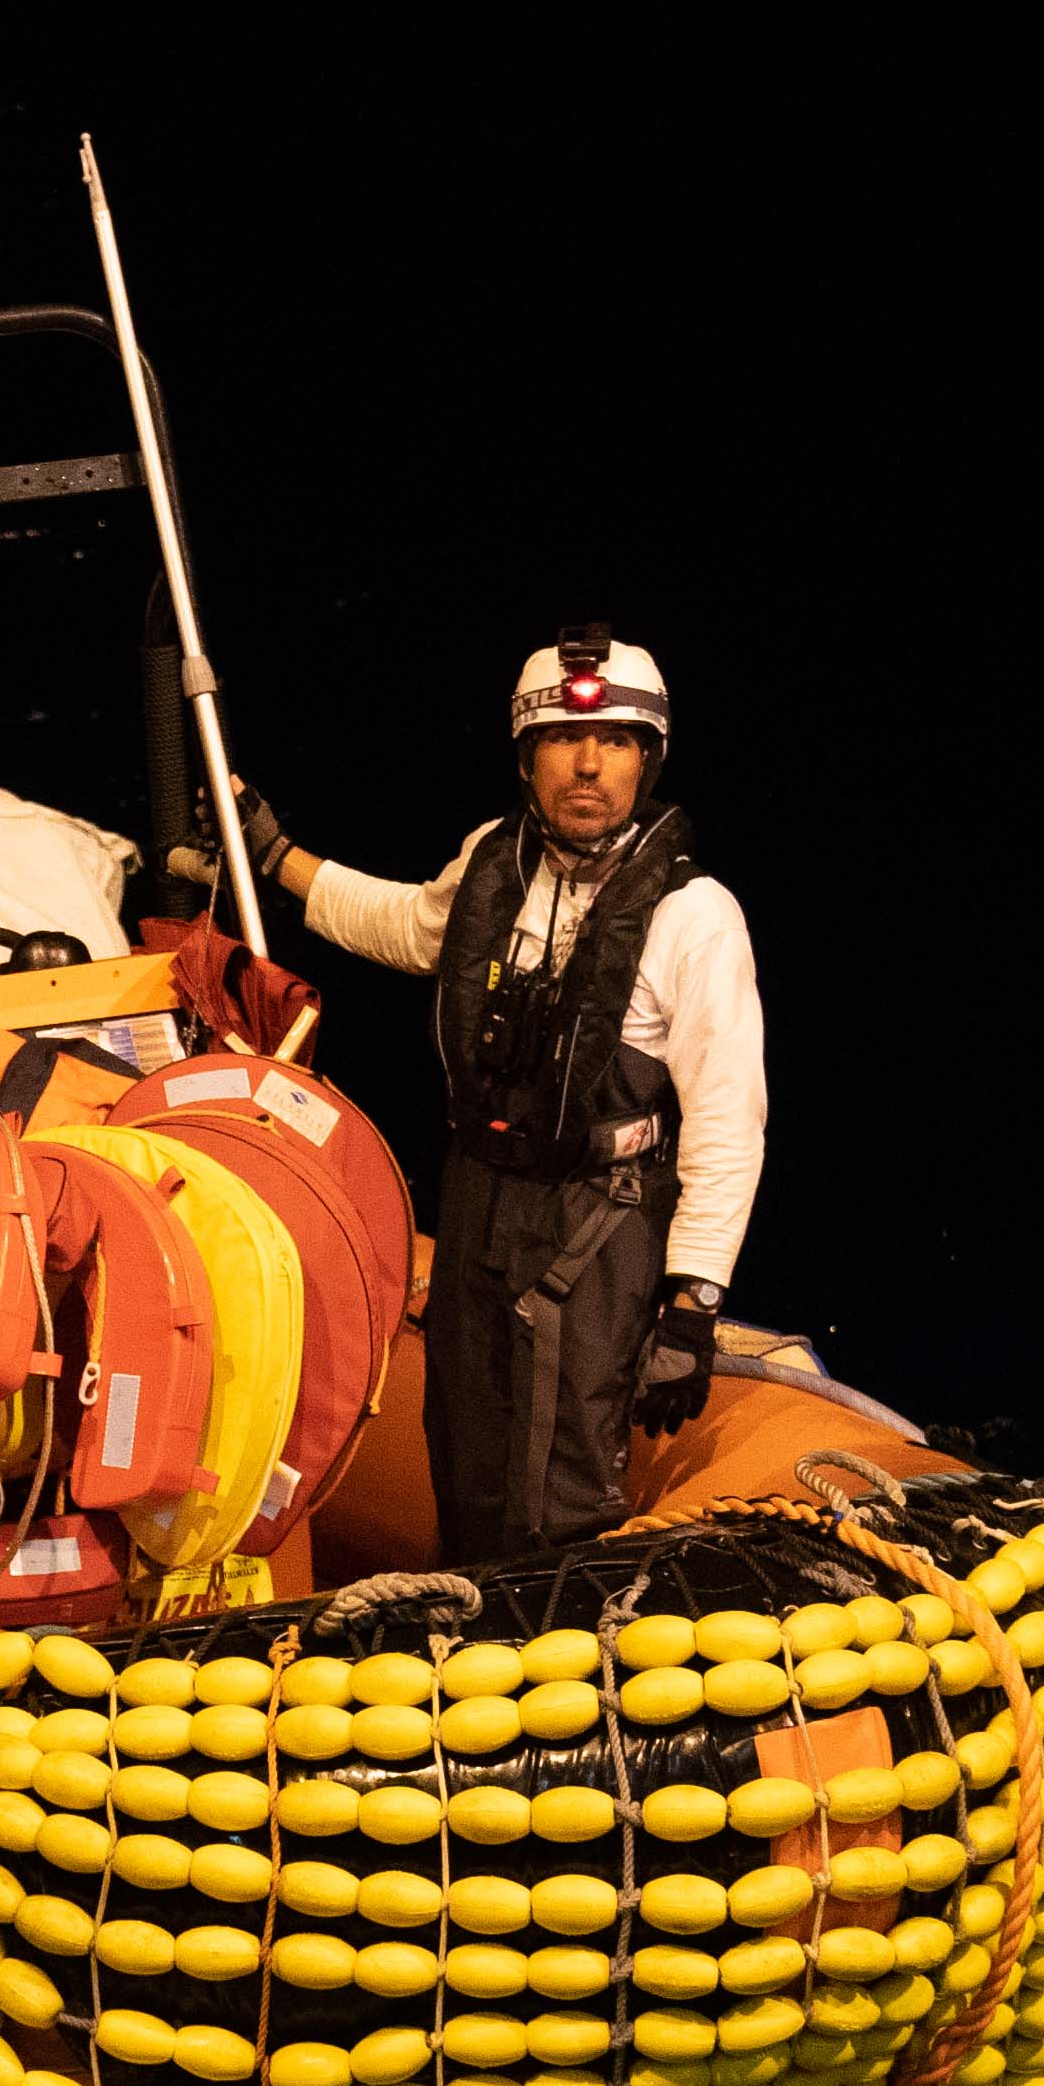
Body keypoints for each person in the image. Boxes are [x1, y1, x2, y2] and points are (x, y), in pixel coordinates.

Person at [244, 631, 768, 1559]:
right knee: (465, 1442)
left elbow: (728, 1117)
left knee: (560, 1469)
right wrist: (280, 859)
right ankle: (468, 1625)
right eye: (565, 740)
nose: (589, 762)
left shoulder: (695, 916)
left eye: (615, 740)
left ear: (648, 758)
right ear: (528, 758)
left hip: (598, 1215)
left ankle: (562, 1654)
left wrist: (692, 1302)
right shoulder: (494, 861)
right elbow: (409, 928)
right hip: (481, 1189)